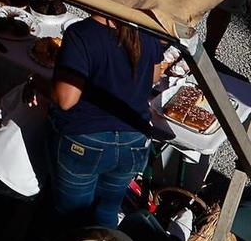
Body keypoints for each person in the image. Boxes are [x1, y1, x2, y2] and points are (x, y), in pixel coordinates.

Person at [48, 14, 164, 227]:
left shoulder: (82, 33)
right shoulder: (146, 31)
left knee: (70, 222)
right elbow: (155, 77)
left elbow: (66, 99)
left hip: (85, 140)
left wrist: (40, 84)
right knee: (107, 214)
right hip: (134, 141)